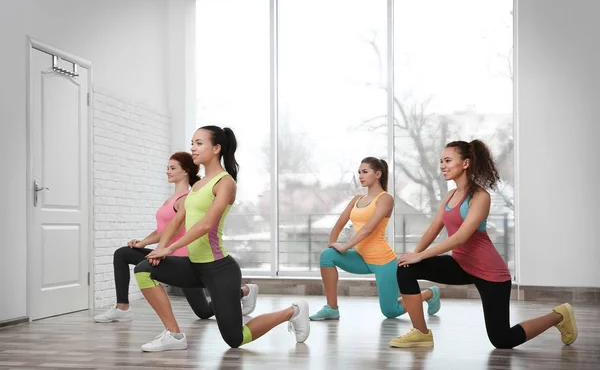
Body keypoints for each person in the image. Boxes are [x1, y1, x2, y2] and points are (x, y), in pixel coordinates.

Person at [135, 126, 310, 352]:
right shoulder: (197, 185)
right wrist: (160, 248)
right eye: (192, 143)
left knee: (235, 339)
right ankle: (174, 335)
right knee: (143, 269)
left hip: (219, 269)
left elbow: (206, 224)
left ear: (216, 148)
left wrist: (171, 249)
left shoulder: (225, 182)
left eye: (199, 143)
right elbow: (177, 222)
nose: (193, 148)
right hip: (193, 266)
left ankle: (293, 311)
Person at [390, 140, 577, 348]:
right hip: (461, 265)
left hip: (490, 273)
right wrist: (414, 254)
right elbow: (434, 227)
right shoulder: (450, 195)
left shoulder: (480, 197)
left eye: (448, 160)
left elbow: (460, 237)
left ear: (466, 163)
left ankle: (559, 315)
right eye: (441, 161)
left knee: (502, 340)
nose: (442, 165)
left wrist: (421, 256)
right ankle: (421, 333)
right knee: (405, 269)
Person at [93, 151, 258, 323]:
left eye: (173, 168)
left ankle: (245, 291)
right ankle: (122, 308)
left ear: (186, 171)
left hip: (181, 258)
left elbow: (176, 228)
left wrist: (156, 247)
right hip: (165, 255)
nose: (168, 171)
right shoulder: (171, 199)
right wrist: (142, 242)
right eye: (167, 168)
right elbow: (163, 230)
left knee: (203, 311)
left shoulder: (187, 198)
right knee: (123, 253)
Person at [309, 157, 440, 321]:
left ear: (378, 173)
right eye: (359, 172)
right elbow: (339, 223)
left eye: (365, 172)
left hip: (383, 263)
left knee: (391, 312)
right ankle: (332, 308)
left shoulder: (385, 199)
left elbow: (368, 228)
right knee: (327, 256)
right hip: (361, 258)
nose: (360, 176)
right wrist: (332, 245)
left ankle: (429, 293)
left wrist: (346, 246)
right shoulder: (356, 200)